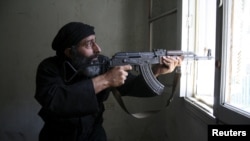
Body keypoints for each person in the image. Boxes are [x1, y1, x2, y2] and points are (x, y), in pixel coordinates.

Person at [35, 21, 182, 141]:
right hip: (57, 136)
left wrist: (156, 71)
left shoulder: (103, 63)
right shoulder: (49, 68)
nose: (98, 49)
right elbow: (55, 100)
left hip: (94, 133)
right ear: (69, 52)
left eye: (95, 42)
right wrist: (105, 80)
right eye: (88, 44)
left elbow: (131, 86)